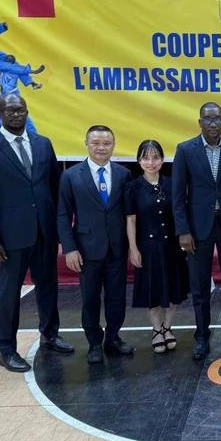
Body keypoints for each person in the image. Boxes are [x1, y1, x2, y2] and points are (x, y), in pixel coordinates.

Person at [0, 94, 72, 372]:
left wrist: (59, 229)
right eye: (11, 110)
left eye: (21, 110)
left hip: (44, 232)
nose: (17, 115)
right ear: (0, 113)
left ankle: (50, 334)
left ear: (27, 112)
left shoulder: (42, 144)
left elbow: (54, 188)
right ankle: (6, 349)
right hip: (9, 237)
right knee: (9, 293)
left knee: (48, 286)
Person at [172, 102, 221, 360]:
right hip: (197, 229)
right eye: (207, 119)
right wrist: (183, 230)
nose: (213, 123)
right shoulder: (185, 150)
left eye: (217, 119)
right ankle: (202, 336)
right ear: (200, 122)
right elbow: (178, 194)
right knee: (200, 286)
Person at [57, 125, 133, 365]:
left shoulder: (123, 174)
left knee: (116, 298)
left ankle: (112, 338)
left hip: (116, 249)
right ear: (86, 144)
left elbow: (130, 214)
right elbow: (62, 214)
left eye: (107, 143)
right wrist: (69, 248)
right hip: (86, 250)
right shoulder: (71, 176)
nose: (101, 148)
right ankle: (93, 343)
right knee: (90, 299)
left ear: (113, 145)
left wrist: (132, 245)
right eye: (96, 143)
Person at [127, 140, 189, 353]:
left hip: (172, 246)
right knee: (152, 291)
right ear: (139, 161)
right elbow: (131, 220)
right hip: (148, 247)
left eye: (155, 157)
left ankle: (167, 327)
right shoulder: (133, 187)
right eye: (145, 158)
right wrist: (133, 248)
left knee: (174, 291)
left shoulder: (173, 184)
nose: (151, 162)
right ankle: (156, 330)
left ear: (163, 160)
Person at [0, 55, 40, 134]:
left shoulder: (16, 69)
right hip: (3, 94)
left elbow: (25, 75)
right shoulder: (2, 68)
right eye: (7, 62)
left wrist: (33, 83)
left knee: (20, 113)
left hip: (13, 95)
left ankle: (33, 132)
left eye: (10, 62)